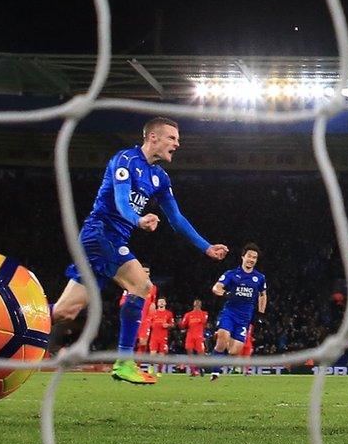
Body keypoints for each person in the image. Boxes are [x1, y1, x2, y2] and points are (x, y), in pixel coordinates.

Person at [49, 117, 228, 384]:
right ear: (152, 137)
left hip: (109, 240)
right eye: (172, 138)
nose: (177, 144)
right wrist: (138, 220)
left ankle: (13, 316)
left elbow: (176, 219)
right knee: (142, 286)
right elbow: (122, 202)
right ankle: (124, 361)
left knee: (65, 312)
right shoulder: (126, 160)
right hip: (100, 234)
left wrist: (206, 247)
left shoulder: (160, 177)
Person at [210, 243, 267, 381]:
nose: (251, 259)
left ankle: (220, 351)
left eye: (254, 258)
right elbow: (216, 288)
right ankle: (215, 372)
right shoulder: (231, 274)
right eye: (249, 256)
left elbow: (263, 295)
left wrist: (261, 314)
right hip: (229, 313)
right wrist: (225, 294)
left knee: (234, 351)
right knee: (223, 338)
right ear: (243, 257)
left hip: (245, 318)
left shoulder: (259, 278)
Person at [179, 299, 208, 376]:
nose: (197, 303)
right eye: (196, 302)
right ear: (193, 304)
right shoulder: (188, 315)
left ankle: (200, 368)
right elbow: (182, 325)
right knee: (190, 353)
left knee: (201, 353)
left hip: (199, 336)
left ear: (201, 305)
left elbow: (204, 323)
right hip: (190, 336)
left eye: (199, 302)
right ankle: (193, 371)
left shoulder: (204, 313)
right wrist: (181, 324)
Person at [147, 297, 174, 376]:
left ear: (165, 303)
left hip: (163, 337)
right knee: (153, 354)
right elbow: (148, 323)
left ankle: (159, 371)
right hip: (154, 337)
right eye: (160, 302)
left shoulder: (169, 313)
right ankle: (151, 366)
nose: (161, 303)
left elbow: (172, 324)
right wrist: (152, 325)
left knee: (162, 355)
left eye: (163, 301)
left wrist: (168, 325)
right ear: (157, 303)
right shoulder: (153, 312)